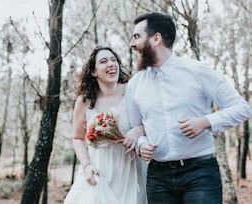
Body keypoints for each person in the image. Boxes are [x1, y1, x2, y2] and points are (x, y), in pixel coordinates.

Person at [126, 12, 252, 204]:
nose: (132, 44)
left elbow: (242, 108)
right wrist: (142, 144)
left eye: (136, 36)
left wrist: (206, 122)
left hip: (200, 173)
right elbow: (136, 128)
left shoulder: (197, 71)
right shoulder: (135, 85)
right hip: (158, 177)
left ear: (156, 38)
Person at [64, 46, 147, 204]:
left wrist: (138, 131)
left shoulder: (131, 91)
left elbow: (149, 121)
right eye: (103, 61)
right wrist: (87, 166)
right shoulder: (84, 101)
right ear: (94, 71)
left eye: (113, 60)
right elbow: (77, 137)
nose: (111, 64)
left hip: (128, 169)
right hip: (98, 170)